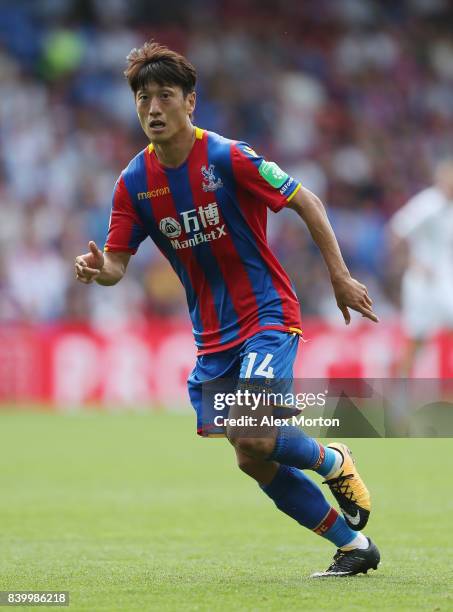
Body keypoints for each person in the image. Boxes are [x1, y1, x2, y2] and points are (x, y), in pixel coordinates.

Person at [75, 41, 380, 577]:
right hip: (212, 337)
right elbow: (117, 266)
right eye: (143, 98)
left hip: (267, 315)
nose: (152, 109)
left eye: (165, 96)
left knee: (257, 433)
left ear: (190, 102)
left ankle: (334, 461)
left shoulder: (228, 157)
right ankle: (354, 545)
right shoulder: (134, 184)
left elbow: (306, 200)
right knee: (251, 457)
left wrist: (339, 276)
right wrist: (97, 269)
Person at [390, 160, 453, 376]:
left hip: (444, 281)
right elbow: (396, 231)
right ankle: (399, 395)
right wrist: (411, 263)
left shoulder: (449, 208)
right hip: (421, 283)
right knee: (416, 339)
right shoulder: (428, 204)